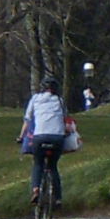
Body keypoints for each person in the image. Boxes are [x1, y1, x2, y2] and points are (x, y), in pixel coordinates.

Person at [18, 77, 72, 207]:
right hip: (57, 138)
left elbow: (27, 120)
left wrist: (21, 137)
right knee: (53, 166)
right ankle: (58, 198)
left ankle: (36, 189)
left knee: (38, 164)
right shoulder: (60, 101)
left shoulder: (35, 99)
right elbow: (66, 120)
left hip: (39, 137)